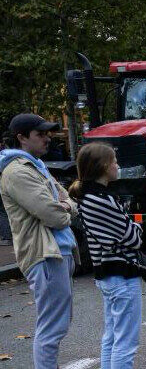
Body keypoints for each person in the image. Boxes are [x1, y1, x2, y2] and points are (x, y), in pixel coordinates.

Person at [0, 114, 78, 369]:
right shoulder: (17, 172)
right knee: (52, 326)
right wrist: (65, 207)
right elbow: (54, 215)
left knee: (58, 322)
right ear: (21, 138)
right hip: (44, 254)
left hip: (57, 251)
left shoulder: (35, 166)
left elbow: (67, 198)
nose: (47, 138)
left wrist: (65, 205)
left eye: (47, 133)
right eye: (40, 134)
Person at [68, 142, 142, 369]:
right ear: (103, 166)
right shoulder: (103, 200)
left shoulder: (88, 197)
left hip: (107, 275)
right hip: (121, 275)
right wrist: (135, 226)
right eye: (115, 162)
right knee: (125, 342)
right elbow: (134, 237)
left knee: (111, 336)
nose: (118, 166)